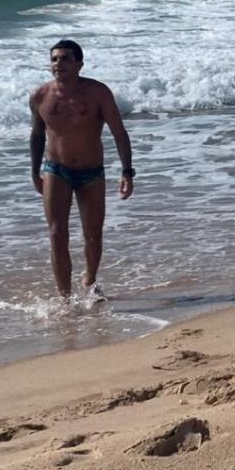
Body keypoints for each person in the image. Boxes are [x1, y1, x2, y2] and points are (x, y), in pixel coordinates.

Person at [29, 39, 135, 302]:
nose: (58, 64)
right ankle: (64, 297)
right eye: (54, 59)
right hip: (55, 170)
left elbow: (119, 133)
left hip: (91, 171)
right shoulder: (40, 96)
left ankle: (90, 280)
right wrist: (34, 172)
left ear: (79, 64)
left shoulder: (98, 93)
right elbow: (37, 135)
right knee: (56, 233)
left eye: (65, 59)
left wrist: (127, 171)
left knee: (92, 232)